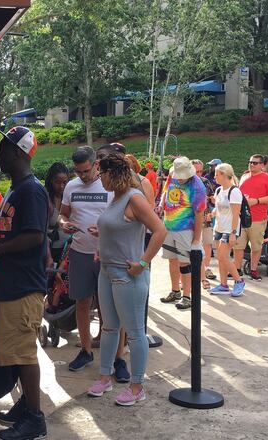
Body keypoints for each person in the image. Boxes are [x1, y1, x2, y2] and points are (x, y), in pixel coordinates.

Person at [0, 126, 47, 440]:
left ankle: (35, 418)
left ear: (17, 152)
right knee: (14, 352)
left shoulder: (31, 190)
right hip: (10, 285)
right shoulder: (16, 190)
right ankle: (25, 406)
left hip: (24, 286)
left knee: (24, 353)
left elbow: (34, 236)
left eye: (3, 148)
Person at [85, 153, 166, 405]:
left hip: (127, 274)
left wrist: (142, 263)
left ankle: (137, 385)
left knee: (134, 333)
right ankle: (104, 377)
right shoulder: (117, 198)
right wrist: (103, 237)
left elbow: (160, 230)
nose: (99, 179)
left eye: (102, 173)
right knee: (109, 327)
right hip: (108, 271)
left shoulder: (134, 198)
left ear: (113, 173)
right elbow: (121, 228)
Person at [58, 146, 117, 374]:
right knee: (81, 302)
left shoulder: (109, 186)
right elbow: (62, 214)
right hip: (80, 251)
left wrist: (104, 230)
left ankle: (110, 351)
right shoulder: (71, 186)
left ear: (96, 165)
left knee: (106, 304)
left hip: (105, 253)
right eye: (78, 171)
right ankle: (85, 349)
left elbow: (122, 218)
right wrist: (64, 224)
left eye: (86, 171)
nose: (82, 176)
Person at [157, 157, 206, 310]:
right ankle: (175, 291)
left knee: (185, 262)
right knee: (172, 260)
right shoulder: (173, 176)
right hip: (169, 225)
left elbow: (199, 214)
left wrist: (196, 239)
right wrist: (161, 204)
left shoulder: (197, 186)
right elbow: (166, 190)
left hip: (186, 228)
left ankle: (187, 296)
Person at [233, 154, 268, 281]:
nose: (252, 164)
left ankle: (253, 270)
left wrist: (256, 201)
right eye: (250, 162)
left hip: (258, 218)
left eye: (255, 163)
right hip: (241, 217)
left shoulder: (267, 178)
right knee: (238, 246)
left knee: (256, 246)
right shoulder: (244, 176)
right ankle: (237, 270)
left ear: (262, 165)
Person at [207, 163, 246, 297]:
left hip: (229, 228)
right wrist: (212, 213)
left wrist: (233, 233)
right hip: (219, 226)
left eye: (217, 174)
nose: (215, 177)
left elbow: (236, 214)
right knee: (221, 257)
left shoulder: (234, 191)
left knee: (224, 256)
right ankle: (223, 285)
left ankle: (239, 281)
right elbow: (218, 208)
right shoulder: (219, 190)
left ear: (224, 174)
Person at [192, 159, 217, 288]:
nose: (199, 174)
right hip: (192, 220)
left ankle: (205, 267)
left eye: (201, 171)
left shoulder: (205, 181)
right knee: (196, 247)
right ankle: (198, 274)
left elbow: (212, 197)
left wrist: (213, 199)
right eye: (197, 171)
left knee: (207, 244)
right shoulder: (187, 183)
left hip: (206, 217)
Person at [44, 162, 70, 264]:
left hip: (67, 252)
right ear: (50, 181)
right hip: (49, 251)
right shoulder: (45, 199)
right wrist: (48, 256)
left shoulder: (70, 196)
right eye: (57, 182)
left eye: (65, 182)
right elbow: (41, 231)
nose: (61, 186)